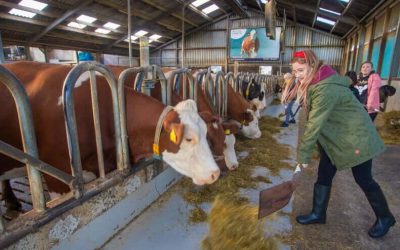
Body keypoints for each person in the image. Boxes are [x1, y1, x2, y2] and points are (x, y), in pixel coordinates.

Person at [286, 49, 395, 238]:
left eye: (301, 70)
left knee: (364, 178)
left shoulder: (325, 87)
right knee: (324, 174)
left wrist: (303, 157)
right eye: (295, 71)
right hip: (337, 138)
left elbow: (314, 125)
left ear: (312, 66)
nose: (298, 75)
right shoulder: (317, 82)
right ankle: (318, 213)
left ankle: (385, 217)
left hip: (355, 138)